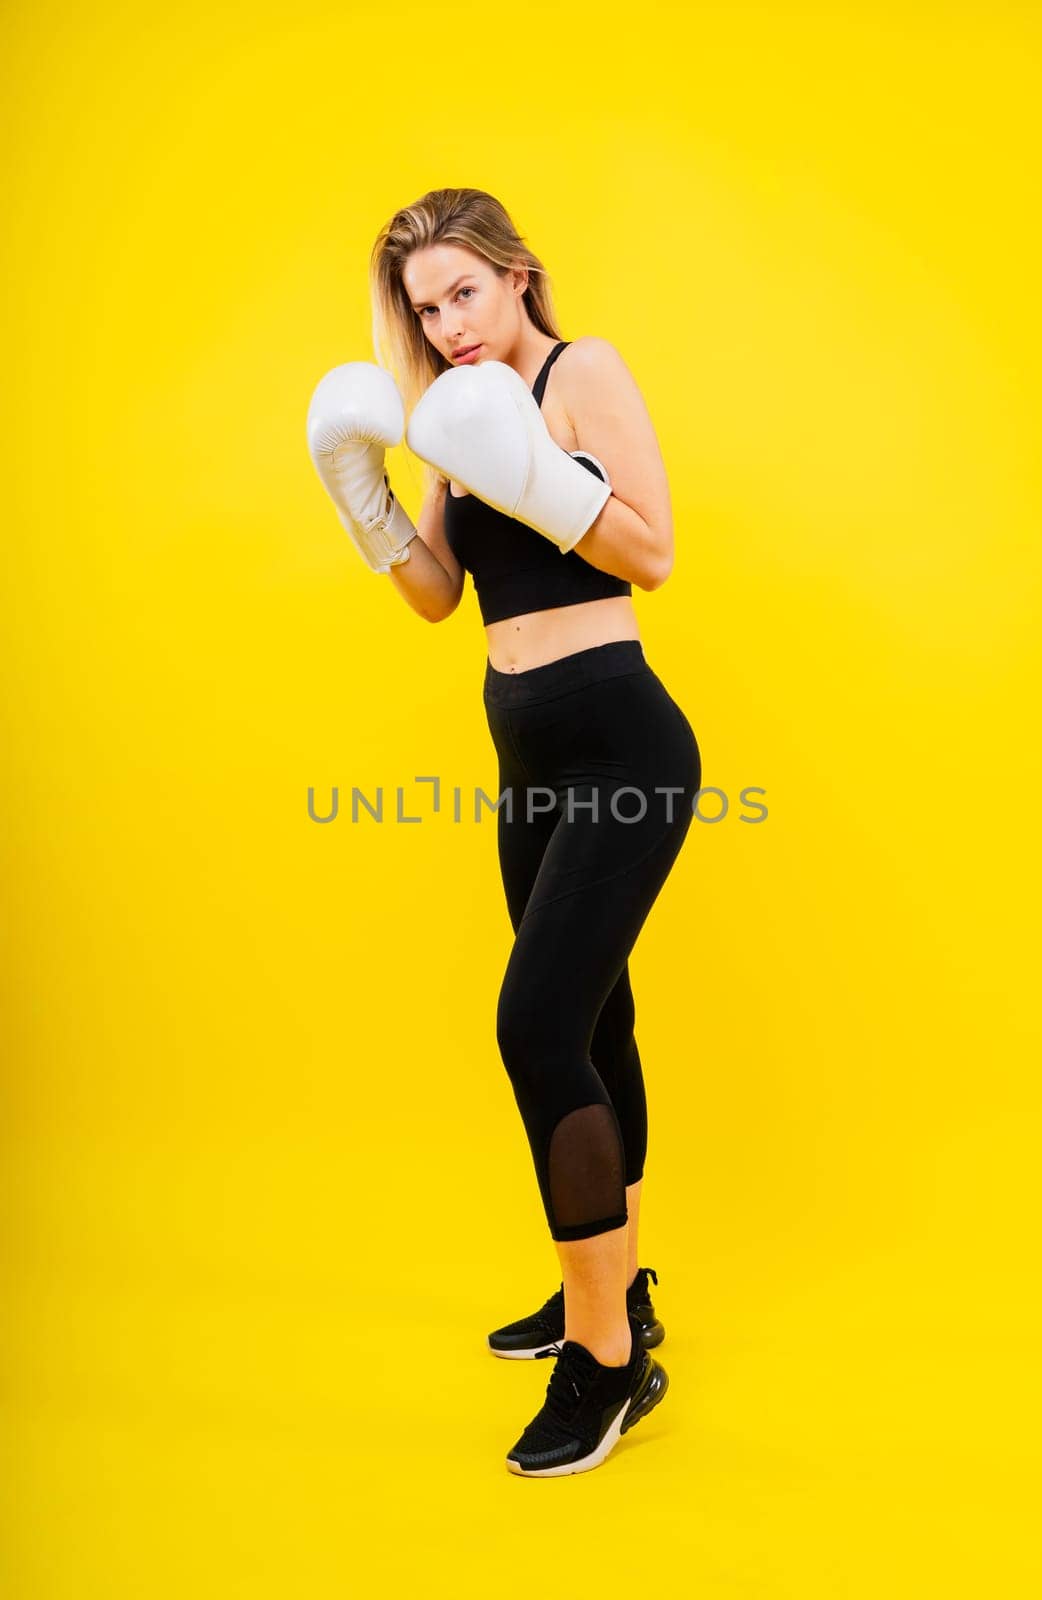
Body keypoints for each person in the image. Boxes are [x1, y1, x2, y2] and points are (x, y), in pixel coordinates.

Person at [307, 188, 702, 1478]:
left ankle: (605, 1362)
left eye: (463, 293)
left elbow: (651, 554)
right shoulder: (447, 416)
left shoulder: (582, 373)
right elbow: (436, 597)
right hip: (522, 748)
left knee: (534, 1025)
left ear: (518, 275)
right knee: (594, 1020)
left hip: (623, 741)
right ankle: (620, 1291)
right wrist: (360, 494)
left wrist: (531, 471)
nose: (448, 324)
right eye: (425, 309)